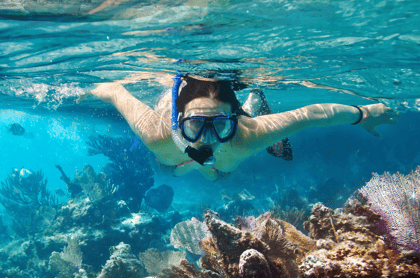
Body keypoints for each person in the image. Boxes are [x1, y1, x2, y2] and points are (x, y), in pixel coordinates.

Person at [78, 74, 399, 181]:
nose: (207, 139)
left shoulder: (247, 134)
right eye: (194, 125)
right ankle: (246, 106)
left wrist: (365, 113)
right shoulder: (155, 132)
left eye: (219, 125)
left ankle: (251, 102)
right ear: (178, 123)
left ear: (234, 122)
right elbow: (114, 90)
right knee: (173, 168)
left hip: (232, 134)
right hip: (172, 158)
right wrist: (83, 90)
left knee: (217, 173)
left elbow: (312, 114)